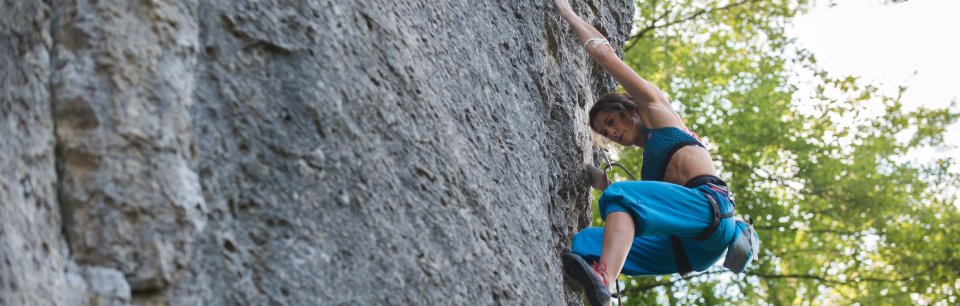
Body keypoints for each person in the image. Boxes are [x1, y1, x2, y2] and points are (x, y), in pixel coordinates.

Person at [554, 1, 758, 305]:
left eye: (611, 121)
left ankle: (604, 279)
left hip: (711, 212)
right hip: (686, 249)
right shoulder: (652, 163)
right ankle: (596, 286)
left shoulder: (656, 110)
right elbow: (659, 208)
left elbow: (604, 54)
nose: (610, 132)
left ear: (627, 109)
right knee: (585, 244)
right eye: (604, 132)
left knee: (621, 197)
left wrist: (567, 13)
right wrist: (602, 184)